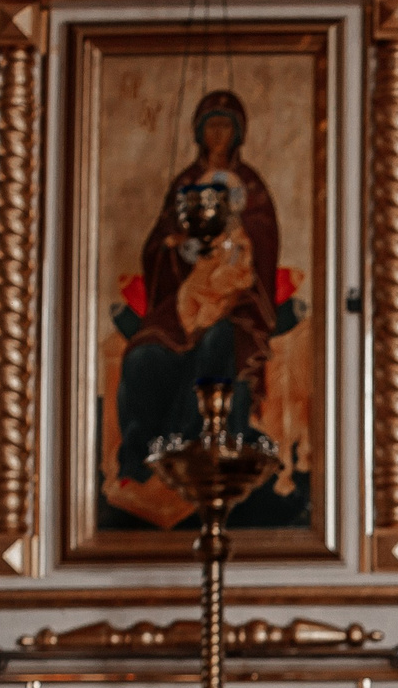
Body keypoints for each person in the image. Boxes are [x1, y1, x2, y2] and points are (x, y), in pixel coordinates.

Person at [107, 90, 290, 529]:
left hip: (234, 299)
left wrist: (236, 237)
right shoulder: (186, 184)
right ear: (198, 132)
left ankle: (196, 442)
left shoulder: (250, 186)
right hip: (185, 297)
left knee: (219, 342)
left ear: (239, 131)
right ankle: (145, 445)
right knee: (143, 353)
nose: (218, 134)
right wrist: (177, 249)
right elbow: (159, 245)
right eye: (211, 125)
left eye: (226, 125)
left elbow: (262, 245)